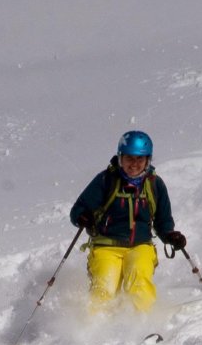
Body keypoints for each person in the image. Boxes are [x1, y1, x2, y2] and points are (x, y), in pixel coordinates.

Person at [68, 130, 186, 314]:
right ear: (120, 158)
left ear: (148, 160)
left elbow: (163, 220)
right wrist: (83, 217)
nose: (134, 164)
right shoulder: (106, 180)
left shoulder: (155, 184)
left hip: (140, 246)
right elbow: (78, 210)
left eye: (140, 159)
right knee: (105, 287)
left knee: (139, 281)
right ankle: (94, 329)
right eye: (129, 158)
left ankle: (144, 323)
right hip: (106, 246)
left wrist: (170, 235)